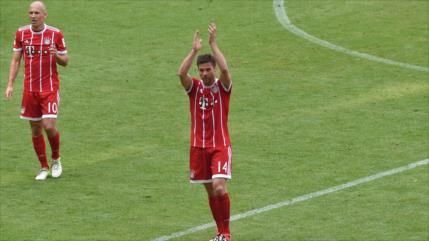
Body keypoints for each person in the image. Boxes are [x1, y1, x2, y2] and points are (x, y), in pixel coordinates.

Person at [178, 23, 233, 241]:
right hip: (198, 147)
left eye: (208, 70)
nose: (204, 73)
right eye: (201, 71)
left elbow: (226, 69)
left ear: (214, 70)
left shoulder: (223, 87)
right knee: (211, 192)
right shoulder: (195, 88)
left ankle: (226, 234)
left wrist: (212, 44)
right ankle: (221, 233)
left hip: (219, 146)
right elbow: (181, 73)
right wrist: (194, 51)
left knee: (219, 188)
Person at [4, 1, 69, 180]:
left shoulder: (55, 34)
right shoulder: (21, 33)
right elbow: (16, 60)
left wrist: (55, 54)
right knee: (35, 130)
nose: (33, 16)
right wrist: (10, 83)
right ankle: (43, 167)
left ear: (44, 14)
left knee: (48, 125)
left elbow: (65, 61)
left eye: (36, 13)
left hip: (49, 89)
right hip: (30, 90)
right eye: (31, 13)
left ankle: (56, 159)